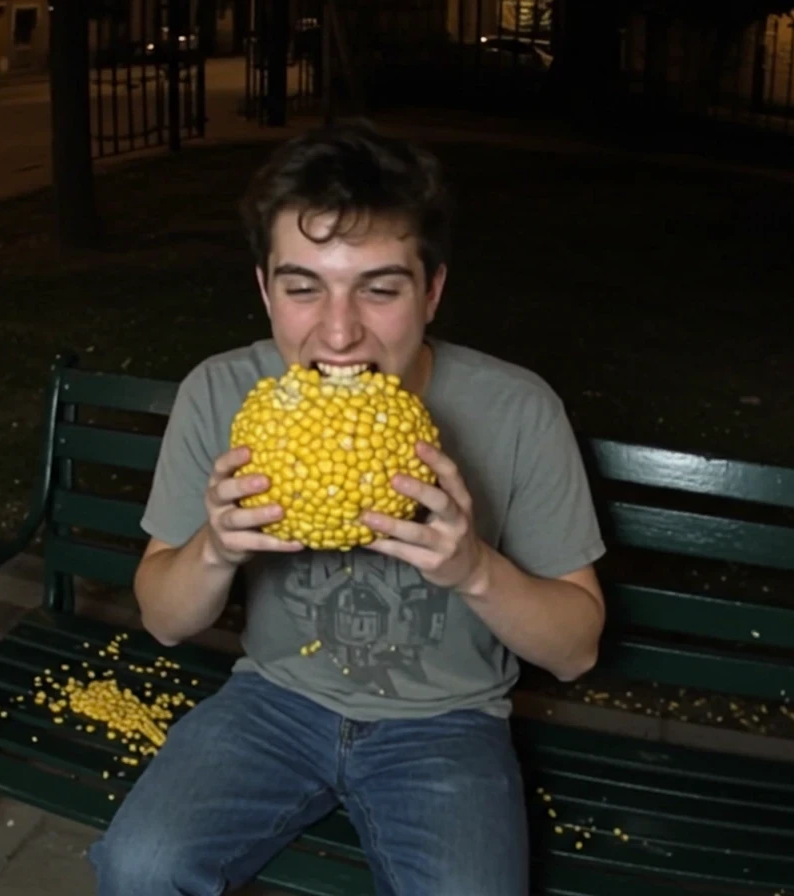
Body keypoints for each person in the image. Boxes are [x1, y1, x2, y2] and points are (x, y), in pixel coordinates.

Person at [88, 119, 608, 896]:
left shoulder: (518, 410)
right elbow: (164, 618)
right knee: (139, 867)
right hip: (273, 701)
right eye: (303, 288)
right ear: (265, 289)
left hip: (449, 723)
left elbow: (576, 648)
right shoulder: (220, 394)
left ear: (431, 291)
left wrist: (474, 570)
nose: (338, 332)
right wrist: (216, 548)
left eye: (379, 288)